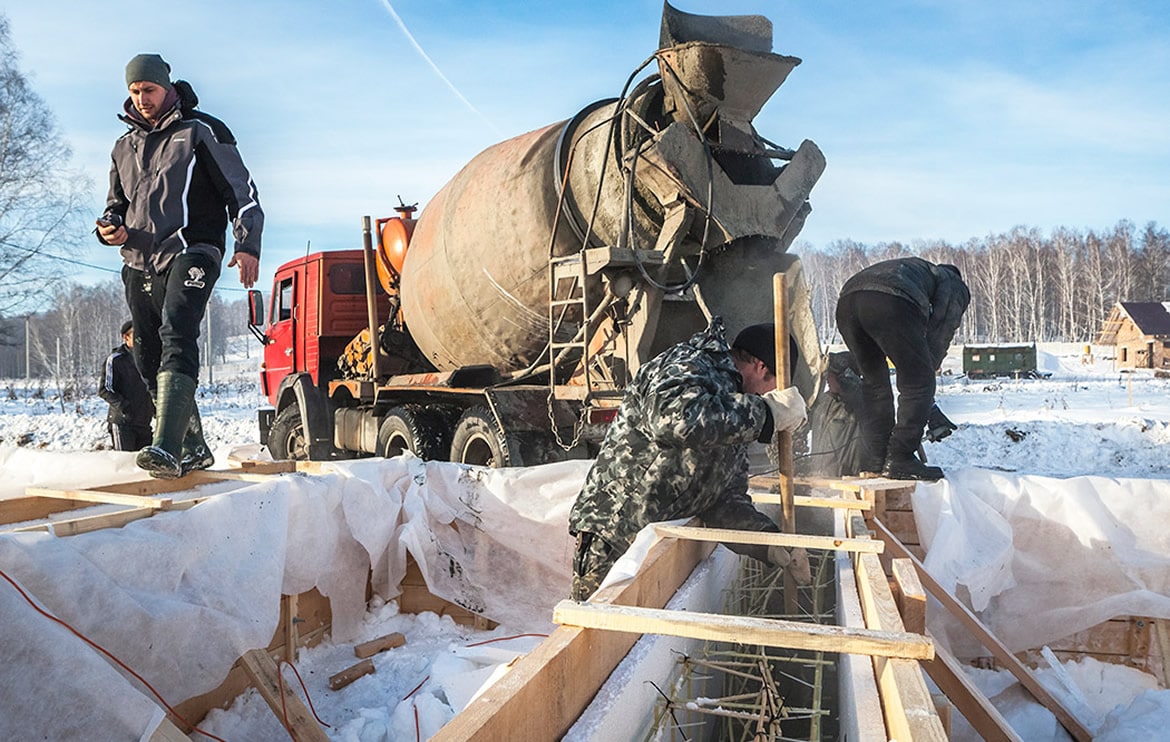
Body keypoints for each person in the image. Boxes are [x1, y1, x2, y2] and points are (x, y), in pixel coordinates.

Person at [96, 53, 263, 478]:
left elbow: (242, 195)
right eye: (134, 91)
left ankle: (166, 446)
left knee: (177, 327)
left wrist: (248, 246)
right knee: (146, 352)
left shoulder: (201, 131)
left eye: (148, 90)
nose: (141, 98)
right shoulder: (123, 147)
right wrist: (109, 228)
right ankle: (192, 446)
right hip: (138, 259)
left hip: (193, 249)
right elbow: (116, 206)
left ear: (167, 87)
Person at [568, 318, 811, 601]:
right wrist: (765, 413)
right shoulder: (691, 364)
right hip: (616, 537)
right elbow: (673, 420)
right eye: (773, 390)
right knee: (595, 637)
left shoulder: (734, 405)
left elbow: (723, 501)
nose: (767, 397)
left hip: (657, 545)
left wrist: (768, 542)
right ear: (761, 367)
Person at [835, 257, 970, 481]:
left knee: (874, 384)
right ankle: (900, 458)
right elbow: (944, 322)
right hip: (888, 301)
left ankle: (876, 458)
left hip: (847, 302)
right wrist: (930, 364)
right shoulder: (951, 280)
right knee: (918, 383)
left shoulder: (913, 270)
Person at [98, 320, 156, 451]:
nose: (141, 339)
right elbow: (105, 389)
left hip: (144, 423)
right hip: (123, 423)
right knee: (124, 463)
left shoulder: (149, 360)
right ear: (126, 337)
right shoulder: (116, 359)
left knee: (144, 466)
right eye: (136, 335)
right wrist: (125, 407)